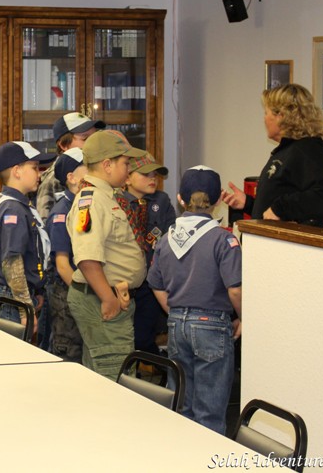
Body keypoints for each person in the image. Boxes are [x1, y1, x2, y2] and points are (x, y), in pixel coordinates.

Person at [148, 166, 242, 434]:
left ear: (180, 198)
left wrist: (176, 311)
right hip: (212, 325)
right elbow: (234, 289)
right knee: (209, 410)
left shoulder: (166, 240)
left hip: (177, 324)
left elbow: (155, 284)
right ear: (218, 200)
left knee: (181, 402)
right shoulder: (224, 240)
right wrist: (244, 318)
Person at [65, 130, 147, 379]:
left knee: (100, 378)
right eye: (125, 162)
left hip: (110, 296)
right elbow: (87, 257)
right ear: (107, 165)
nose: (129, 168)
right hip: (103, 300)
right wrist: (108, 299)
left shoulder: (108, 196)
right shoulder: (89, 201)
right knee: (116, 378)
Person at [222, 83, 323, 227]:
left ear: (281, 116)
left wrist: (281, 208)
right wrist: (248, 203)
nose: (264, 119)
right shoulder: (287, 151)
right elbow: (272, 213)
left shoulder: (307, 149)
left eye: (266, 113)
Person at [0, 141, 55, 328]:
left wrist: (36, 292)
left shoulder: (20, 205)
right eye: (34, 168)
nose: (39, 173)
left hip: (17, 294)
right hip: (11, 298)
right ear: (17, 171)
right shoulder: (13, 209)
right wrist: (24, 306)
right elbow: (12, 262)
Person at [120, 152, 176, 355]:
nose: (153, 179)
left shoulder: (161, 201)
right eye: (145, 174)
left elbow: (172, 235)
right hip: (125, 283)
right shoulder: (117, 203)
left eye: (155, 174)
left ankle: (161, 371)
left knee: (144, 336)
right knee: (127, 338)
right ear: (127, 177)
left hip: (152, 282)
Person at [43, 147, 86, 362]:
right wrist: (83, 295)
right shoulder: (63, 211)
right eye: (87, 168)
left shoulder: (83, 205)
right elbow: (62, 265)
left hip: (77, 291)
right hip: (66, 294)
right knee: (68, 351)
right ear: (71, 178)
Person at [35, 112, 104, 220]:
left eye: (95, 138)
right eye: (85, 139)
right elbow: (45, 222)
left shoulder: (95, 169)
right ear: (63, 145)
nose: (93, 144)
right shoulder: (53, 179)